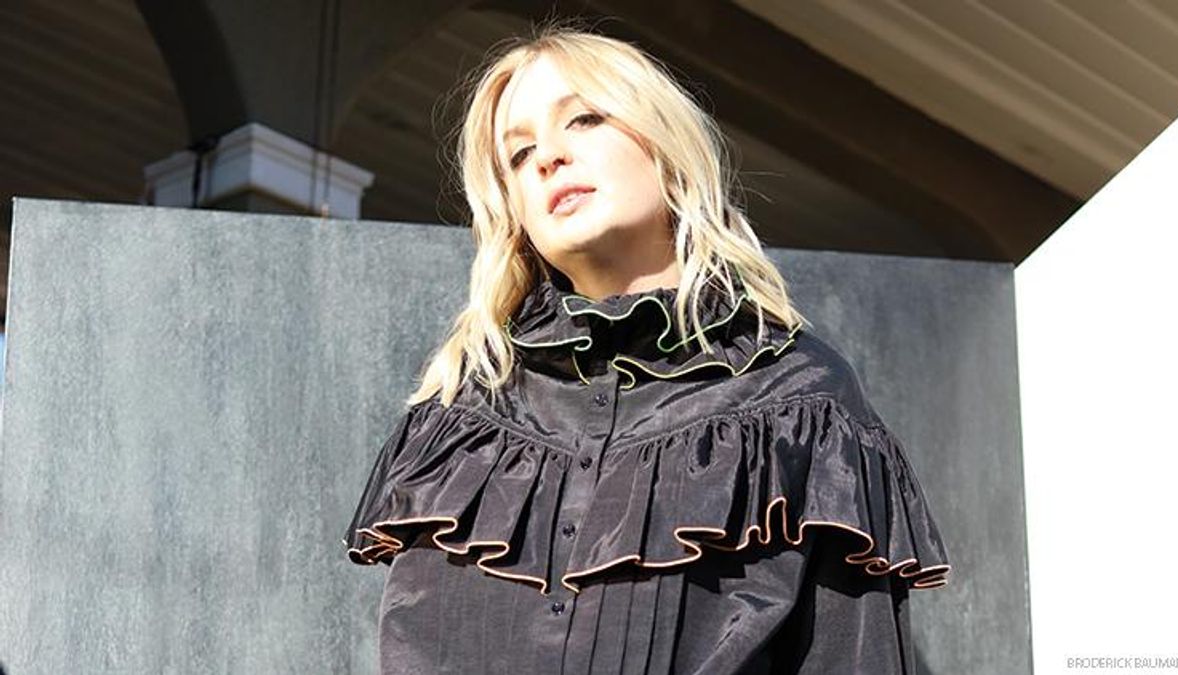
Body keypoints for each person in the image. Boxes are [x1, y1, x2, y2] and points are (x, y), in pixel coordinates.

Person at [343, 24, 952, 674]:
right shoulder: (458, 419)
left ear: (664, 142)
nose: (547, 158)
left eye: (583, 119)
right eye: (518, 154)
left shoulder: (803, 402)